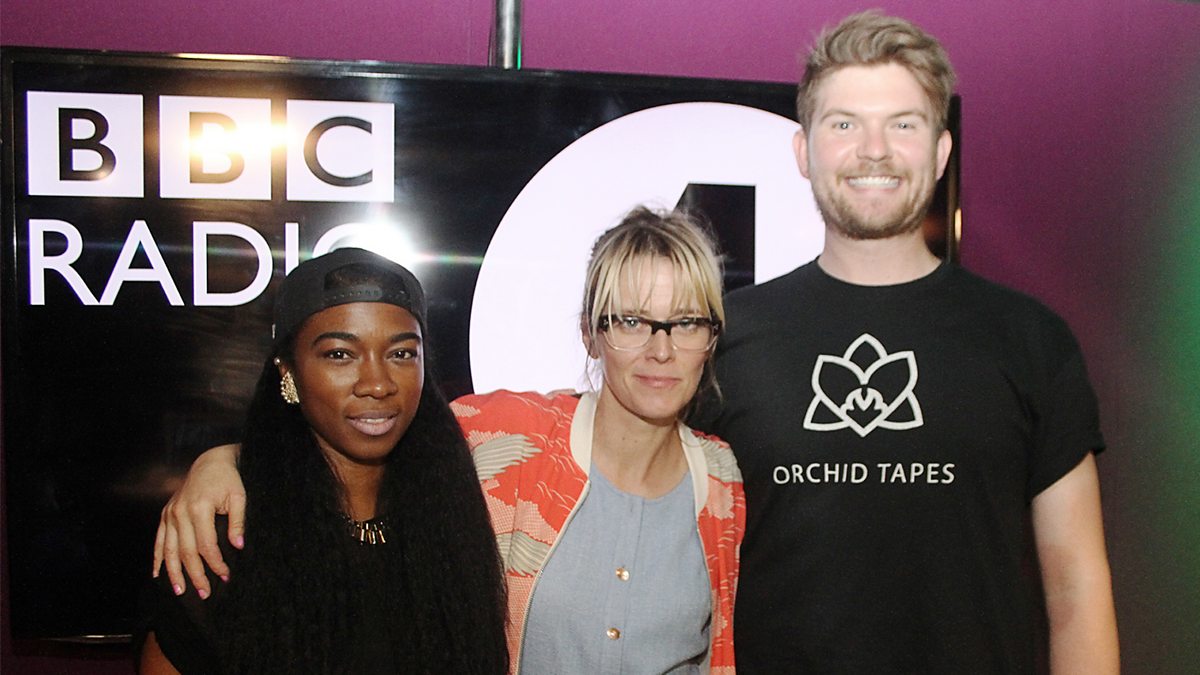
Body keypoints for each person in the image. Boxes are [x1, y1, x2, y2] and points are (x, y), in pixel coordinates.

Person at [692, 10, 1119, 674]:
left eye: (903, 125)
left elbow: (1077, 591)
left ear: (941, 152)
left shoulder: (1030, 340)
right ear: (803, 152)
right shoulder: (725, 339)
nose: (874, 150)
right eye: (844, 124)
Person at [152, 208, 746, 673]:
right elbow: (361, 425)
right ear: (591, 333)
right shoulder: (507, 433)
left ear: (712, 337)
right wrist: (222, 462)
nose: (661, 349)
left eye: (686, 322)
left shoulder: (724, 482)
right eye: (631, 321)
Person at [136, 248, 508, 674]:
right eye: (340, 354)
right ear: (288, 372)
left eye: (402, 353)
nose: (377, 384)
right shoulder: (227, 539)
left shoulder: (453, 511)